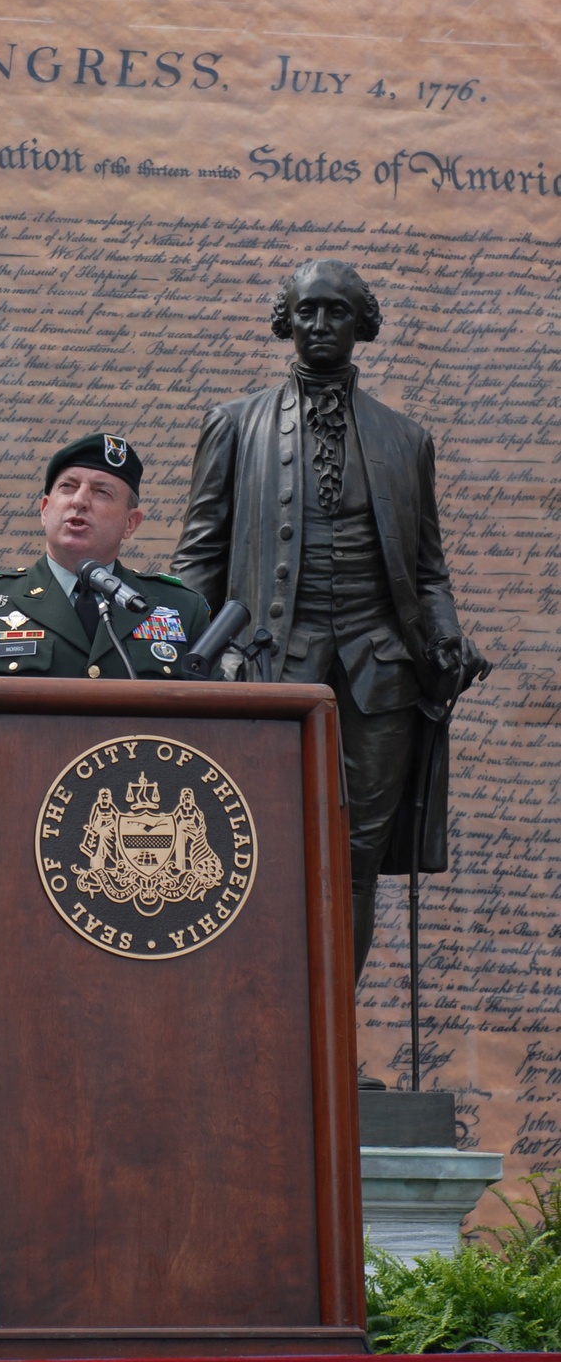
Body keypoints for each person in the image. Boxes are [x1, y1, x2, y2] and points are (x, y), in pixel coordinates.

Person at [171, 259, 488, 1029]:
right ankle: (262, 1039)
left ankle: (326, 1041)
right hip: (268, 668)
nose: (319, 326)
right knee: (258, 853)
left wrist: (446, 636)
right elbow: (197, 560)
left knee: (356, 863)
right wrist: (176, 660)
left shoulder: (405, 440)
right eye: (306, 311)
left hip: (380, 676)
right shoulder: (234, 423)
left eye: (336, 313)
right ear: (285, 320)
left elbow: (427, 569)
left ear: (362, 327)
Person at [0, 433, 210, 699]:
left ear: (130, 523)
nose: (79, 501)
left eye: (101, 492)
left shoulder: (182, 608)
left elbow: (219, 722)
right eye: (68, 487)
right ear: (44, 510)